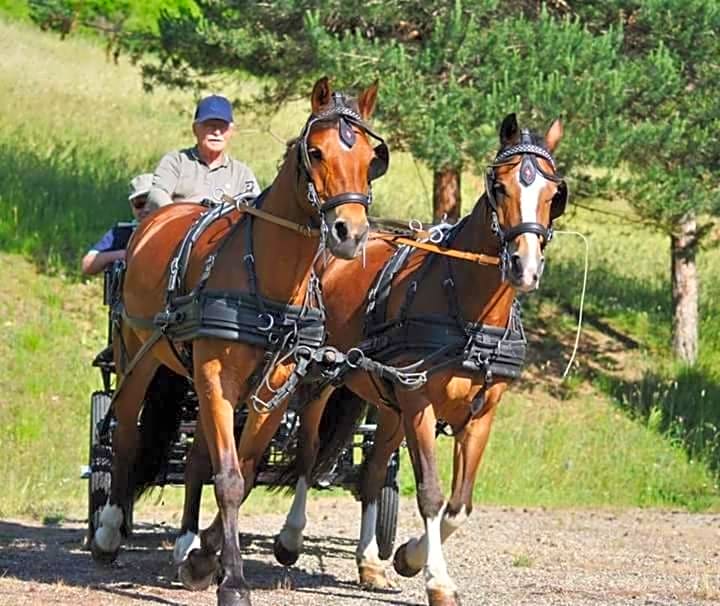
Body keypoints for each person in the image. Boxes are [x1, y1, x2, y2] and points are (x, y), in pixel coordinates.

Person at [146, 94, 260, 211]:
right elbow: (157, 194)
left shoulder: (241, 173)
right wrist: (175, 215)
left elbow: (256, 208)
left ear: (231, 131)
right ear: (195, 129)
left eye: (222, 127)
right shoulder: (176, 161)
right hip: (180, 226)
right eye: (210, 125)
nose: (216, 132)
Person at [81, 173, 153, 276]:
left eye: (152, 202)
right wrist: (124, 254)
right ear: (131, 205)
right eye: (140, 203)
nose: (146, 209)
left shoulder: (174, 232)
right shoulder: (122, 233)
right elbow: (87, 265)